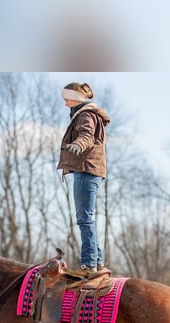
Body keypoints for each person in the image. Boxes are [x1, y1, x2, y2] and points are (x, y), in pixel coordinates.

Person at [57, 82, 111, 275]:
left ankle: (90, 263)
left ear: (77, 98)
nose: (65, 104)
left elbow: (86, 135)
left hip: (86, 169)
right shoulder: (89, 114)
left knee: (84, 219)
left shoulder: (85, 115)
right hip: (92, 170)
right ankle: (97, 262)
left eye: (67, 99)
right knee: (87, 219)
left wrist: (78, 145)